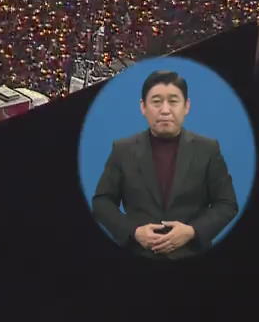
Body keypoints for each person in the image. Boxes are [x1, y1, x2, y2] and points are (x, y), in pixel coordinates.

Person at [91, 70, 239, 259]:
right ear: (143, 107)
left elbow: (227, 203)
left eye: (173, 101)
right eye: (157, 101)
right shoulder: (122, 149)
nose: (165, 110)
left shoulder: (208, 149)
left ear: (186, 106)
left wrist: (192, 231)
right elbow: (101, 202)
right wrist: (134, 232)